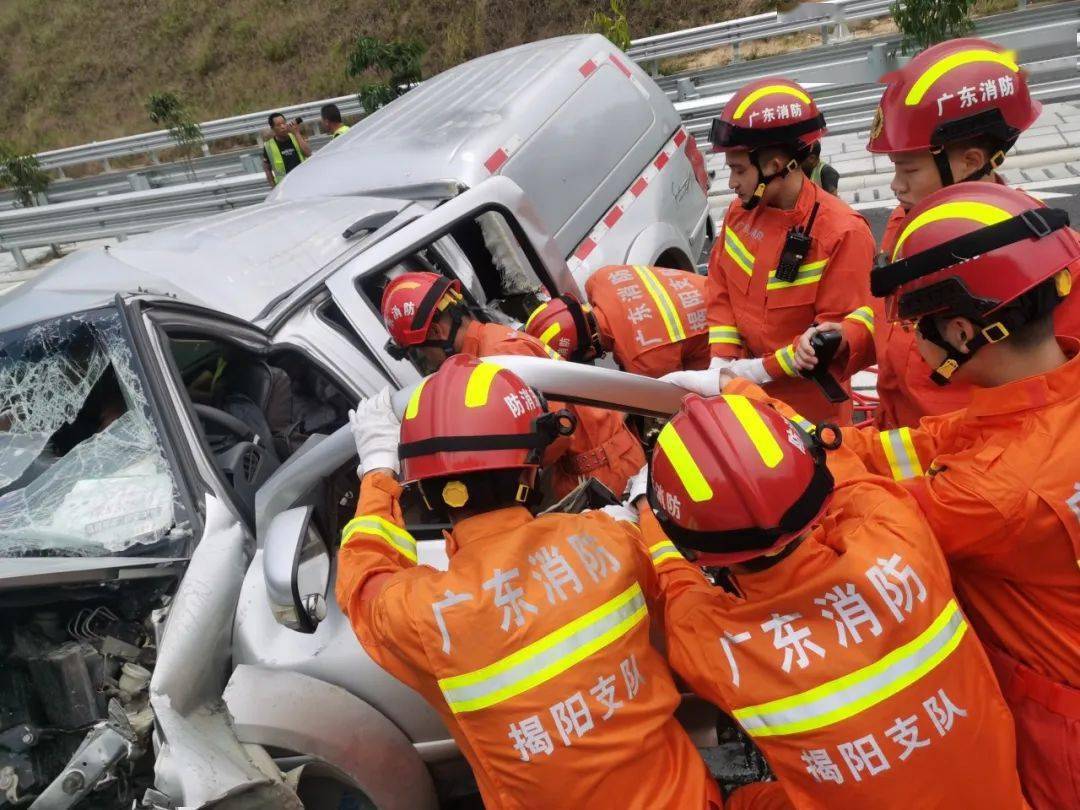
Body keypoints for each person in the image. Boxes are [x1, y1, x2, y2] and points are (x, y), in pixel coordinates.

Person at [679, 183, 1079, 809]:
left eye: (917, 326)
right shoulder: (1041, 405)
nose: (911, 343)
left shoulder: (992, 494)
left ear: (962, 328)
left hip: (1058, 732)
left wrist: (754, 417)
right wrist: (803, 431)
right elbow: (909, 450)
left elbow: (863, 501)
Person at [336, 356, 722, 809]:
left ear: (423, 490)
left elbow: (362, 577)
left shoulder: (423, 617)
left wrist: (379, 472)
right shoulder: (608, 541)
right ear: (530, 469)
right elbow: (668, 585)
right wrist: (638, 509)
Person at [637, 391, 1025, 809]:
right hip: (998, 797)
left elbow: (676, 583)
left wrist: (645, 511)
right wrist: (752, 398)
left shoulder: (709, 644)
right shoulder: (898, 534)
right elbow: (847, 476)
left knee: (746, 801)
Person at [792, 37, 1080, 428]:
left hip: (963, 471)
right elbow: (894, 318)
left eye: (909, 170)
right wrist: (848, 338)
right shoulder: (908, 224)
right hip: (898, 447)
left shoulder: (1043, 256)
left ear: (970, 162)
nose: (896, 186)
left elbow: (1054, 416)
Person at [697, 77, 875, 425]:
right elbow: (720, 288)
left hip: (808, 411)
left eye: (739, 170)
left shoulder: (842, 232)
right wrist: (722, 360)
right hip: (745, 395)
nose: (731, 183)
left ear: (776, 166)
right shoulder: (740, 213)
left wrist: (829, 340)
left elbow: (853, 323)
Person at [381, 271, 645, 500]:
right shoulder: (488, 343)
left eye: (420, 353)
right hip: (585, 468)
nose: (427, 362)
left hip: (606, 471)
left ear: (438, 333)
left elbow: (559, 432)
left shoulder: (499, 357)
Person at [522, 264, 710, 377]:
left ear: (588, 353)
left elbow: (672, 401)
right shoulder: (600, 278)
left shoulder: (643, 361)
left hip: (731, 333)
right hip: (710, 287)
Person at [262, 111, 311, 186]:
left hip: (304, 181)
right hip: (284, 186)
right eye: (278, 125)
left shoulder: (296, 137)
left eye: (284, 123)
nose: (283, 127)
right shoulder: (268, 146)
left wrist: (297, 133)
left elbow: (308, 153)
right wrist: (273, 186)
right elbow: (267, 169)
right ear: (272, 128)